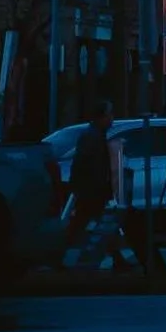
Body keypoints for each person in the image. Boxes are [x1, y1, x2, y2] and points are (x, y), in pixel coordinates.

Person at [66, 103, 118, 264]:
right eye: (108, 115)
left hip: (93, 189)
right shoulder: (92, 137)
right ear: (100, 117)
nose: (111, 119)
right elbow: (85, 164)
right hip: (92, 190)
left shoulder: (96, 136)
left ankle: (117, 257)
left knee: (89, 223)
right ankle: (57, 254)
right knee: (89, 223)